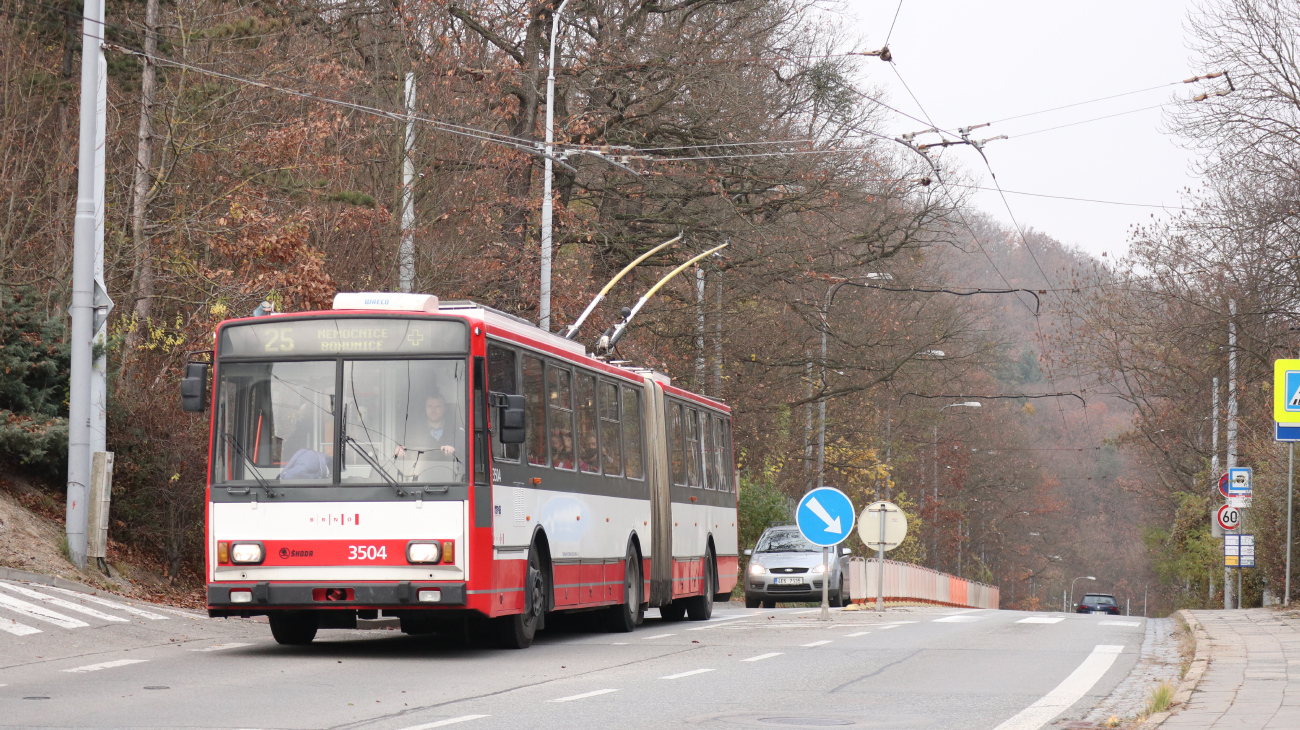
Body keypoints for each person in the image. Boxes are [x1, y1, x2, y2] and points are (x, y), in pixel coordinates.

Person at [396, 394, 462, 461]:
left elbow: (463, 452)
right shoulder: (414, 431)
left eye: (437, 407)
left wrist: (454, 451)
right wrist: (398, 451)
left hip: (449, 470)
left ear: (444, 409)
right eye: (430, 406)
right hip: (420, 470)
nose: (433, 410)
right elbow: (404, 448)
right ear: (425, 408)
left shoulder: (455, 430)